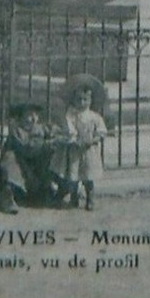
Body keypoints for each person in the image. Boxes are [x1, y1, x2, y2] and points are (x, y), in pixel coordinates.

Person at [0, 102, 65, 214]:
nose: (33, 118)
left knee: (54, 153)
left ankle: (52, 188)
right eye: (29, 115)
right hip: (18, 173)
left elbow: (55, 131)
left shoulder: (39, 128)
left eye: (36, 115)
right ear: (20, 116)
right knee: (10, 157)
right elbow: (27, 149)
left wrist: (61, 135)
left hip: (34, 174)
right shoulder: (16, 130)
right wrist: (47, 143)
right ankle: (8, 198)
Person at [60, 81, 109, 211]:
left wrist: (92, 140)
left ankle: (90, 199)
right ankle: (74, 198)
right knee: (74, 175)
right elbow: (69, 129)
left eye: (85, 100)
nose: (82, 103)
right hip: (76, 149)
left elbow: (102, 132)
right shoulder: (71, 115)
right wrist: (74, 139)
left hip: (89, 149)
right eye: (79, 99)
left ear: (90, 100)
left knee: (88, 176)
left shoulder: (95, 117)